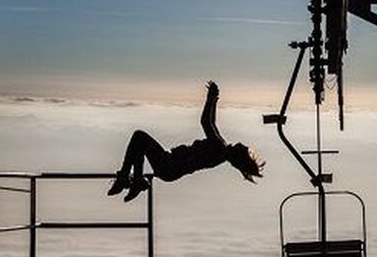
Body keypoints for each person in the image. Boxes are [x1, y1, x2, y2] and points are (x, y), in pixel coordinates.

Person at [108, 81, 264, 201]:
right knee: (139, 144)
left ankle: (127, 179)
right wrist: (214, 100)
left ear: (237, 152)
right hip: (170, 169)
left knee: (139, 136)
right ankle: (134, 180)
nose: (243, 144)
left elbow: (206, 122)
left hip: (168, 164)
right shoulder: (221, 151)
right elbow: (212, 124)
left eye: (244, 148)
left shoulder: (219, 147)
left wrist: (210, 99)